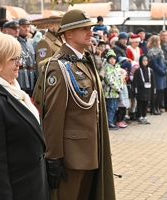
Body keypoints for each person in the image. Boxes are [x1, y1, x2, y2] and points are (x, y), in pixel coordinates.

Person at [39, 9, 115, 200]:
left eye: (90, 28)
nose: (90, 32)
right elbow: (54, 116)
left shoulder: (83, 61)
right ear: (69, 34)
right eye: (84, 29)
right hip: (71, 157)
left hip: (90, 151)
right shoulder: (59, 67)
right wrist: (53, 156)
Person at [0, 30, 48, 200]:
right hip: (15, 190)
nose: (19, 64)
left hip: (30, 186)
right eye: (14, 59)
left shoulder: (13, 89)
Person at [147, 35, 167, 115]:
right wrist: (162, 71)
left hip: (161, 73)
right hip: (156, 74)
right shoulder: (152, 51)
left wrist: (165, 69)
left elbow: (162, 62)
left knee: (160, 92)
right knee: (155, 92)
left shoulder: (159, 50)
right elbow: (153, 64)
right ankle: (153, 108)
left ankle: (157, 107)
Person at [103, 49, 123, 130]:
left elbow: (120, 78)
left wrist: (120, 87)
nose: (112, 60)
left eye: (114, 59)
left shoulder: (117, 68)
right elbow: (109, 80)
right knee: (110, 107)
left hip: (116, 92)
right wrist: (117, 88)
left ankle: (113, 121)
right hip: (110, 92)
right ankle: (109, 122)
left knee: (115, 107)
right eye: (110, 59)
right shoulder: (107, 68)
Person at [133, 55, 155, 124]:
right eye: (143, 61)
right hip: (140, 91)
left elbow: (153, 81)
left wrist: (153, 90)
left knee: (146, 104)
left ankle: (144, 115)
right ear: (140, 61)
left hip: (148, 90)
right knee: (140, 104)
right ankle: (139, 116)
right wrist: (135, 91)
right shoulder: (138, 71)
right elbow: (135, 82)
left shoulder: (150, 70)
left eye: (146, 61)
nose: (145, 62)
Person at [17, 18, 36, 96]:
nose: (26, 29)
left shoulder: (31, 42)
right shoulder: (15, 42)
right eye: (23, 26)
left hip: (31, 78)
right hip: (20, 79)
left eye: (28, 26)